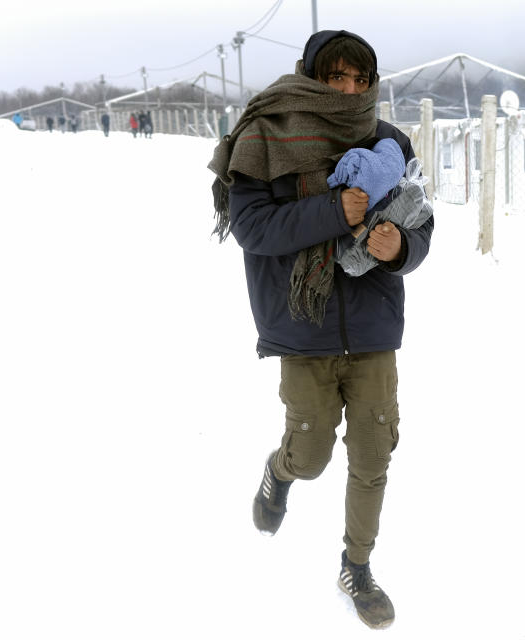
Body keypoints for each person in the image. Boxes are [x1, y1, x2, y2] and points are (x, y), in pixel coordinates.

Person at [207, 29, 433, 630]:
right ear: (311, 76)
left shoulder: (388, 143)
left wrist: (401, 247)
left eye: (361, 79)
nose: (350, 89)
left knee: (372, 455)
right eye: (336, 77)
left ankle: (356, 565)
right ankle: (279, 472)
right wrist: (334, 212)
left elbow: (421, 220)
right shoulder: (266, 136)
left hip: (374, 328)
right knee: (311, 455)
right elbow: (253, 228)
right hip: (301, 326)